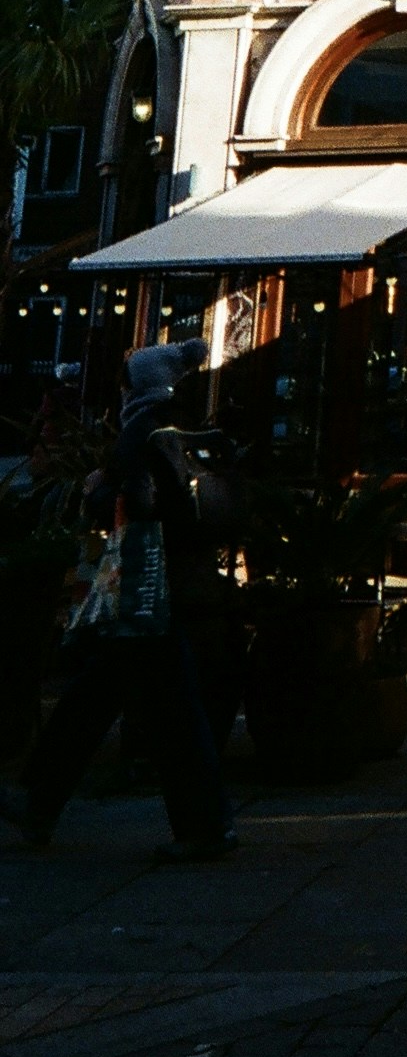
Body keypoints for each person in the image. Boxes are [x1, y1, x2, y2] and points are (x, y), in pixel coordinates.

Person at [0, 341, 239, 862]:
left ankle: (205, 826)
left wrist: (96, 492)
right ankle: (37, 801)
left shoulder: (140, 432)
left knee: (170, 715)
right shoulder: (185, 426)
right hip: (188, 581)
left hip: (147, 590)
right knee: (98, 691)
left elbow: (142, 505)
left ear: (138, 386)